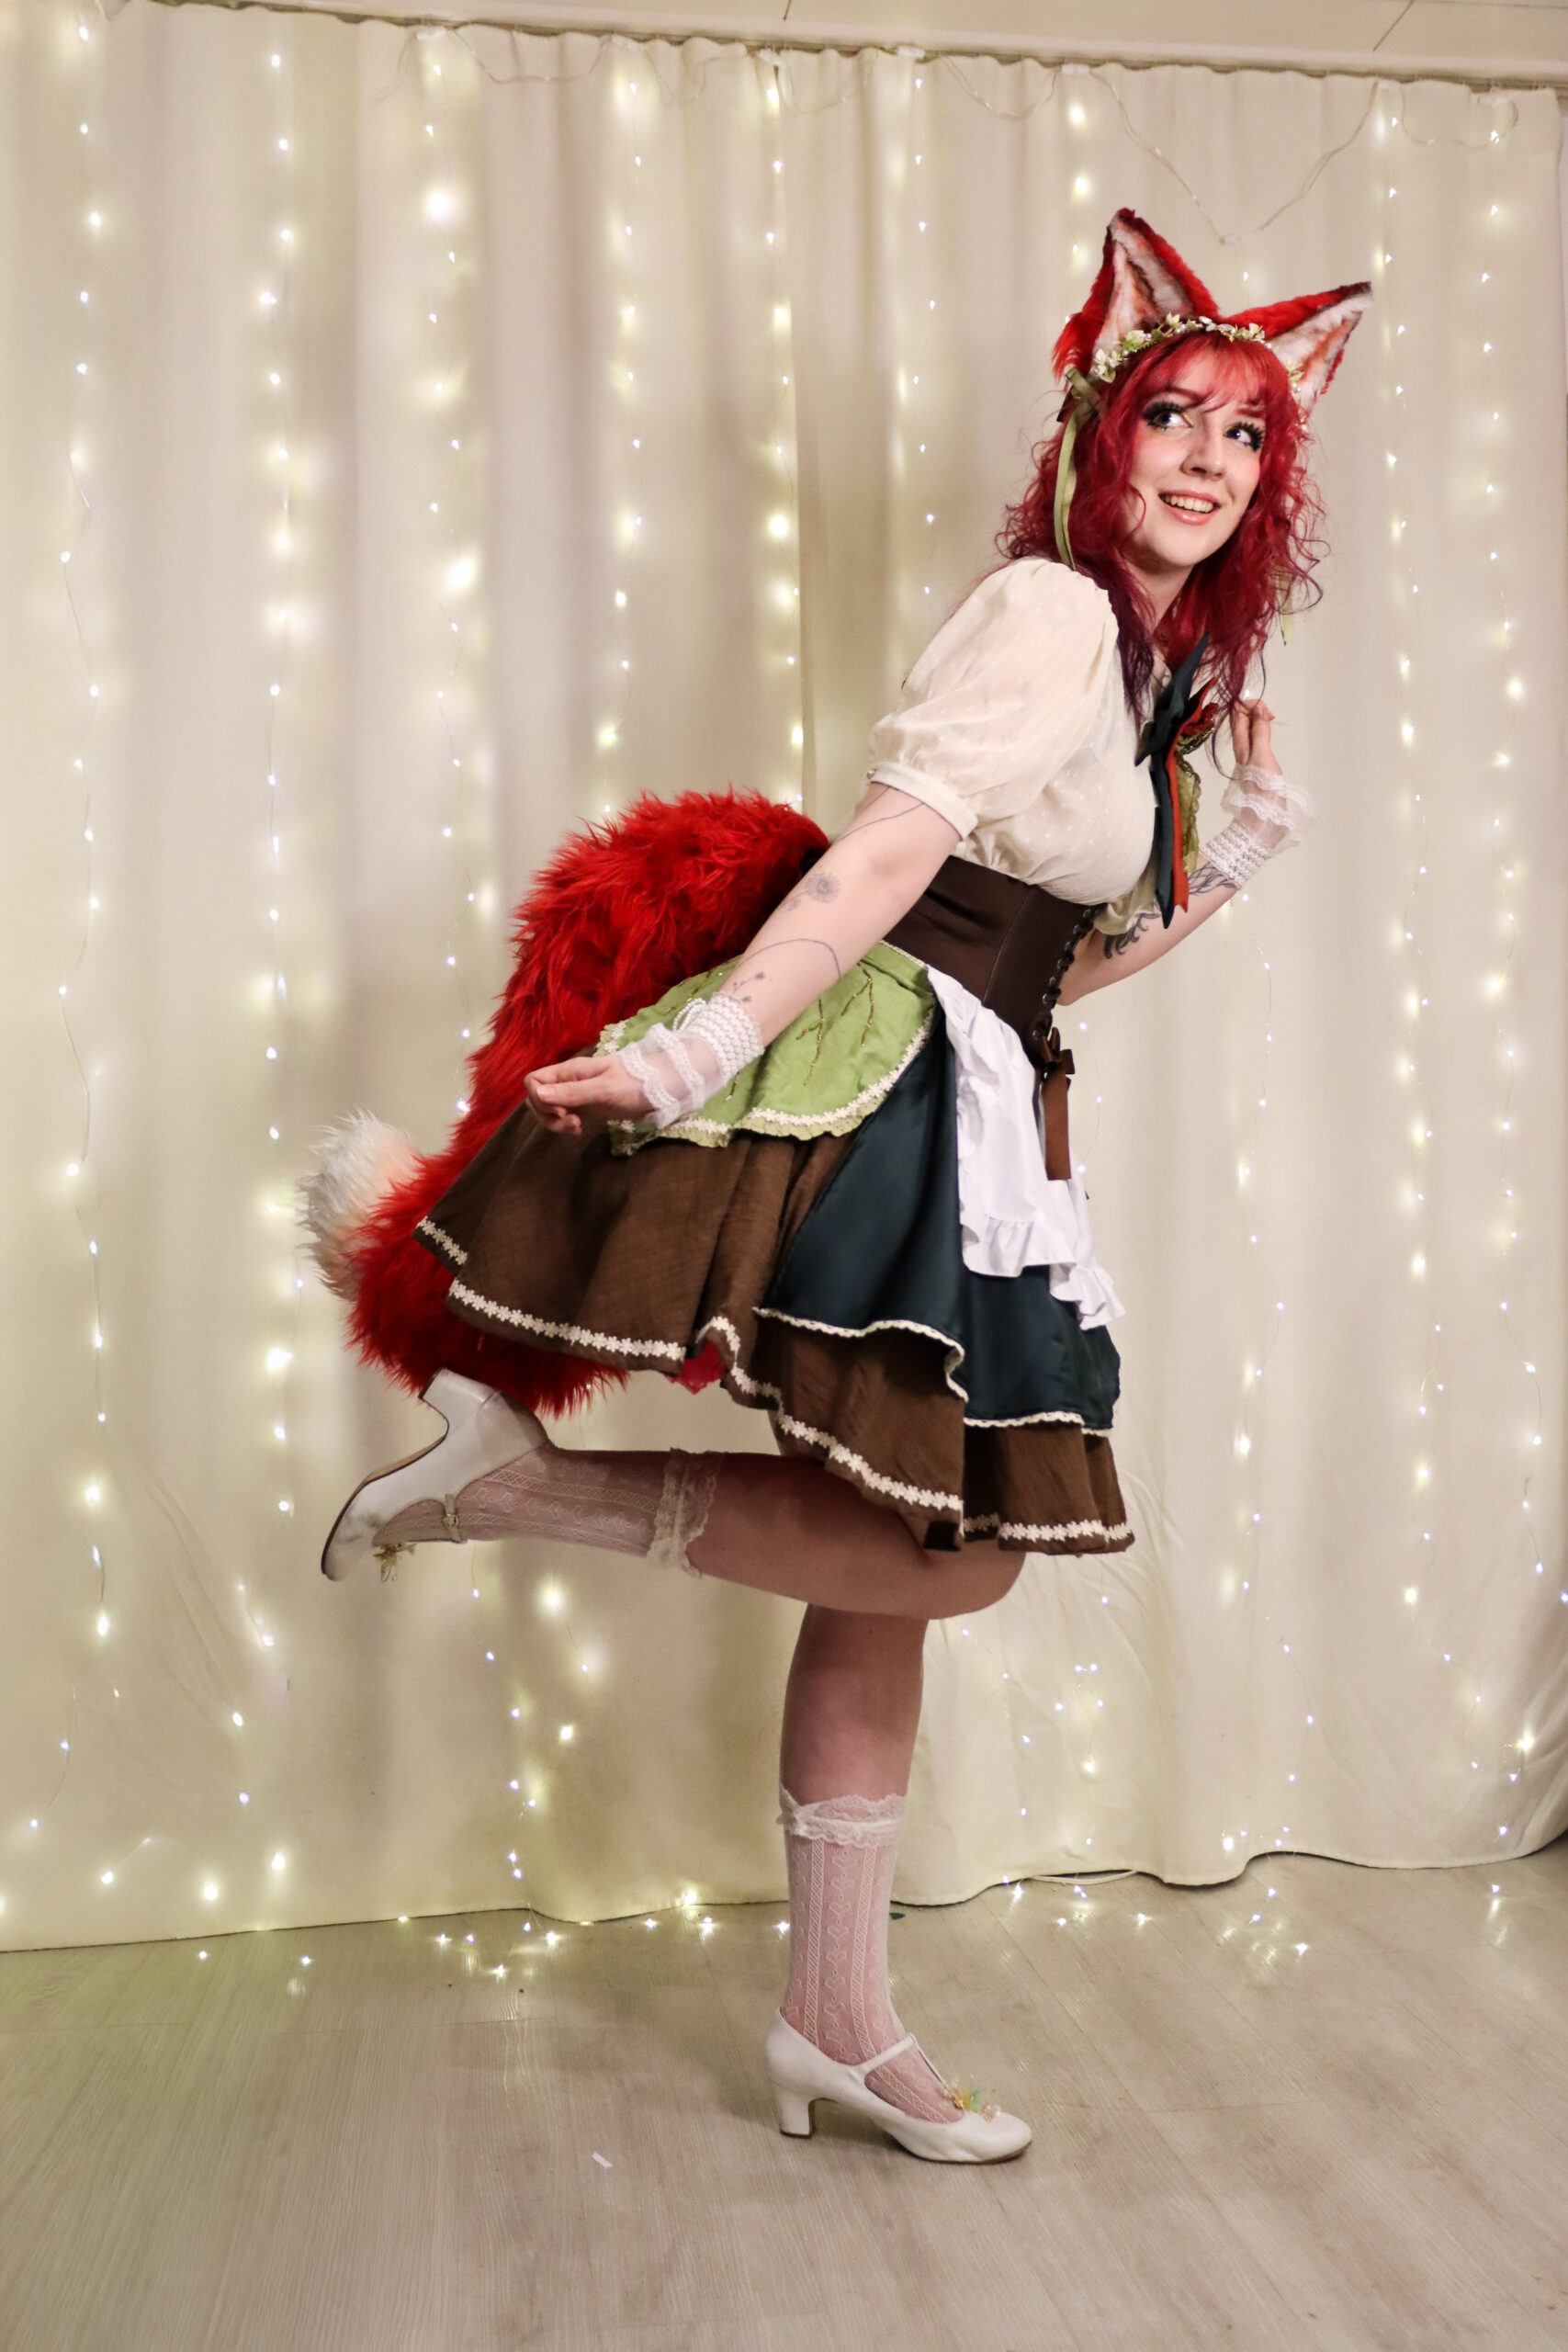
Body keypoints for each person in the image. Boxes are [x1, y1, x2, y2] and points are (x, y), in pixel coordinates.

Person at [314, 210, 1370, 2163]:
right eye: (1173, 412)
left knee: (891, 1553)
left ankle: (835, 2016)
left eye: (1246, 432)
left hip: (987, 1082)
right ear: (1099, 432)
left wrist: (1233, 859)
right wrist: (700, 1048)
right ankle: (514, 1488)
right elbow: (890, 853)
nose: (1209, 458)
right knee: (954, 1545)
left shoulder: (1144, 678)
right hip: (888, 1069)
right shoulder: (1051, 614)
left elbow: (1061, 964)